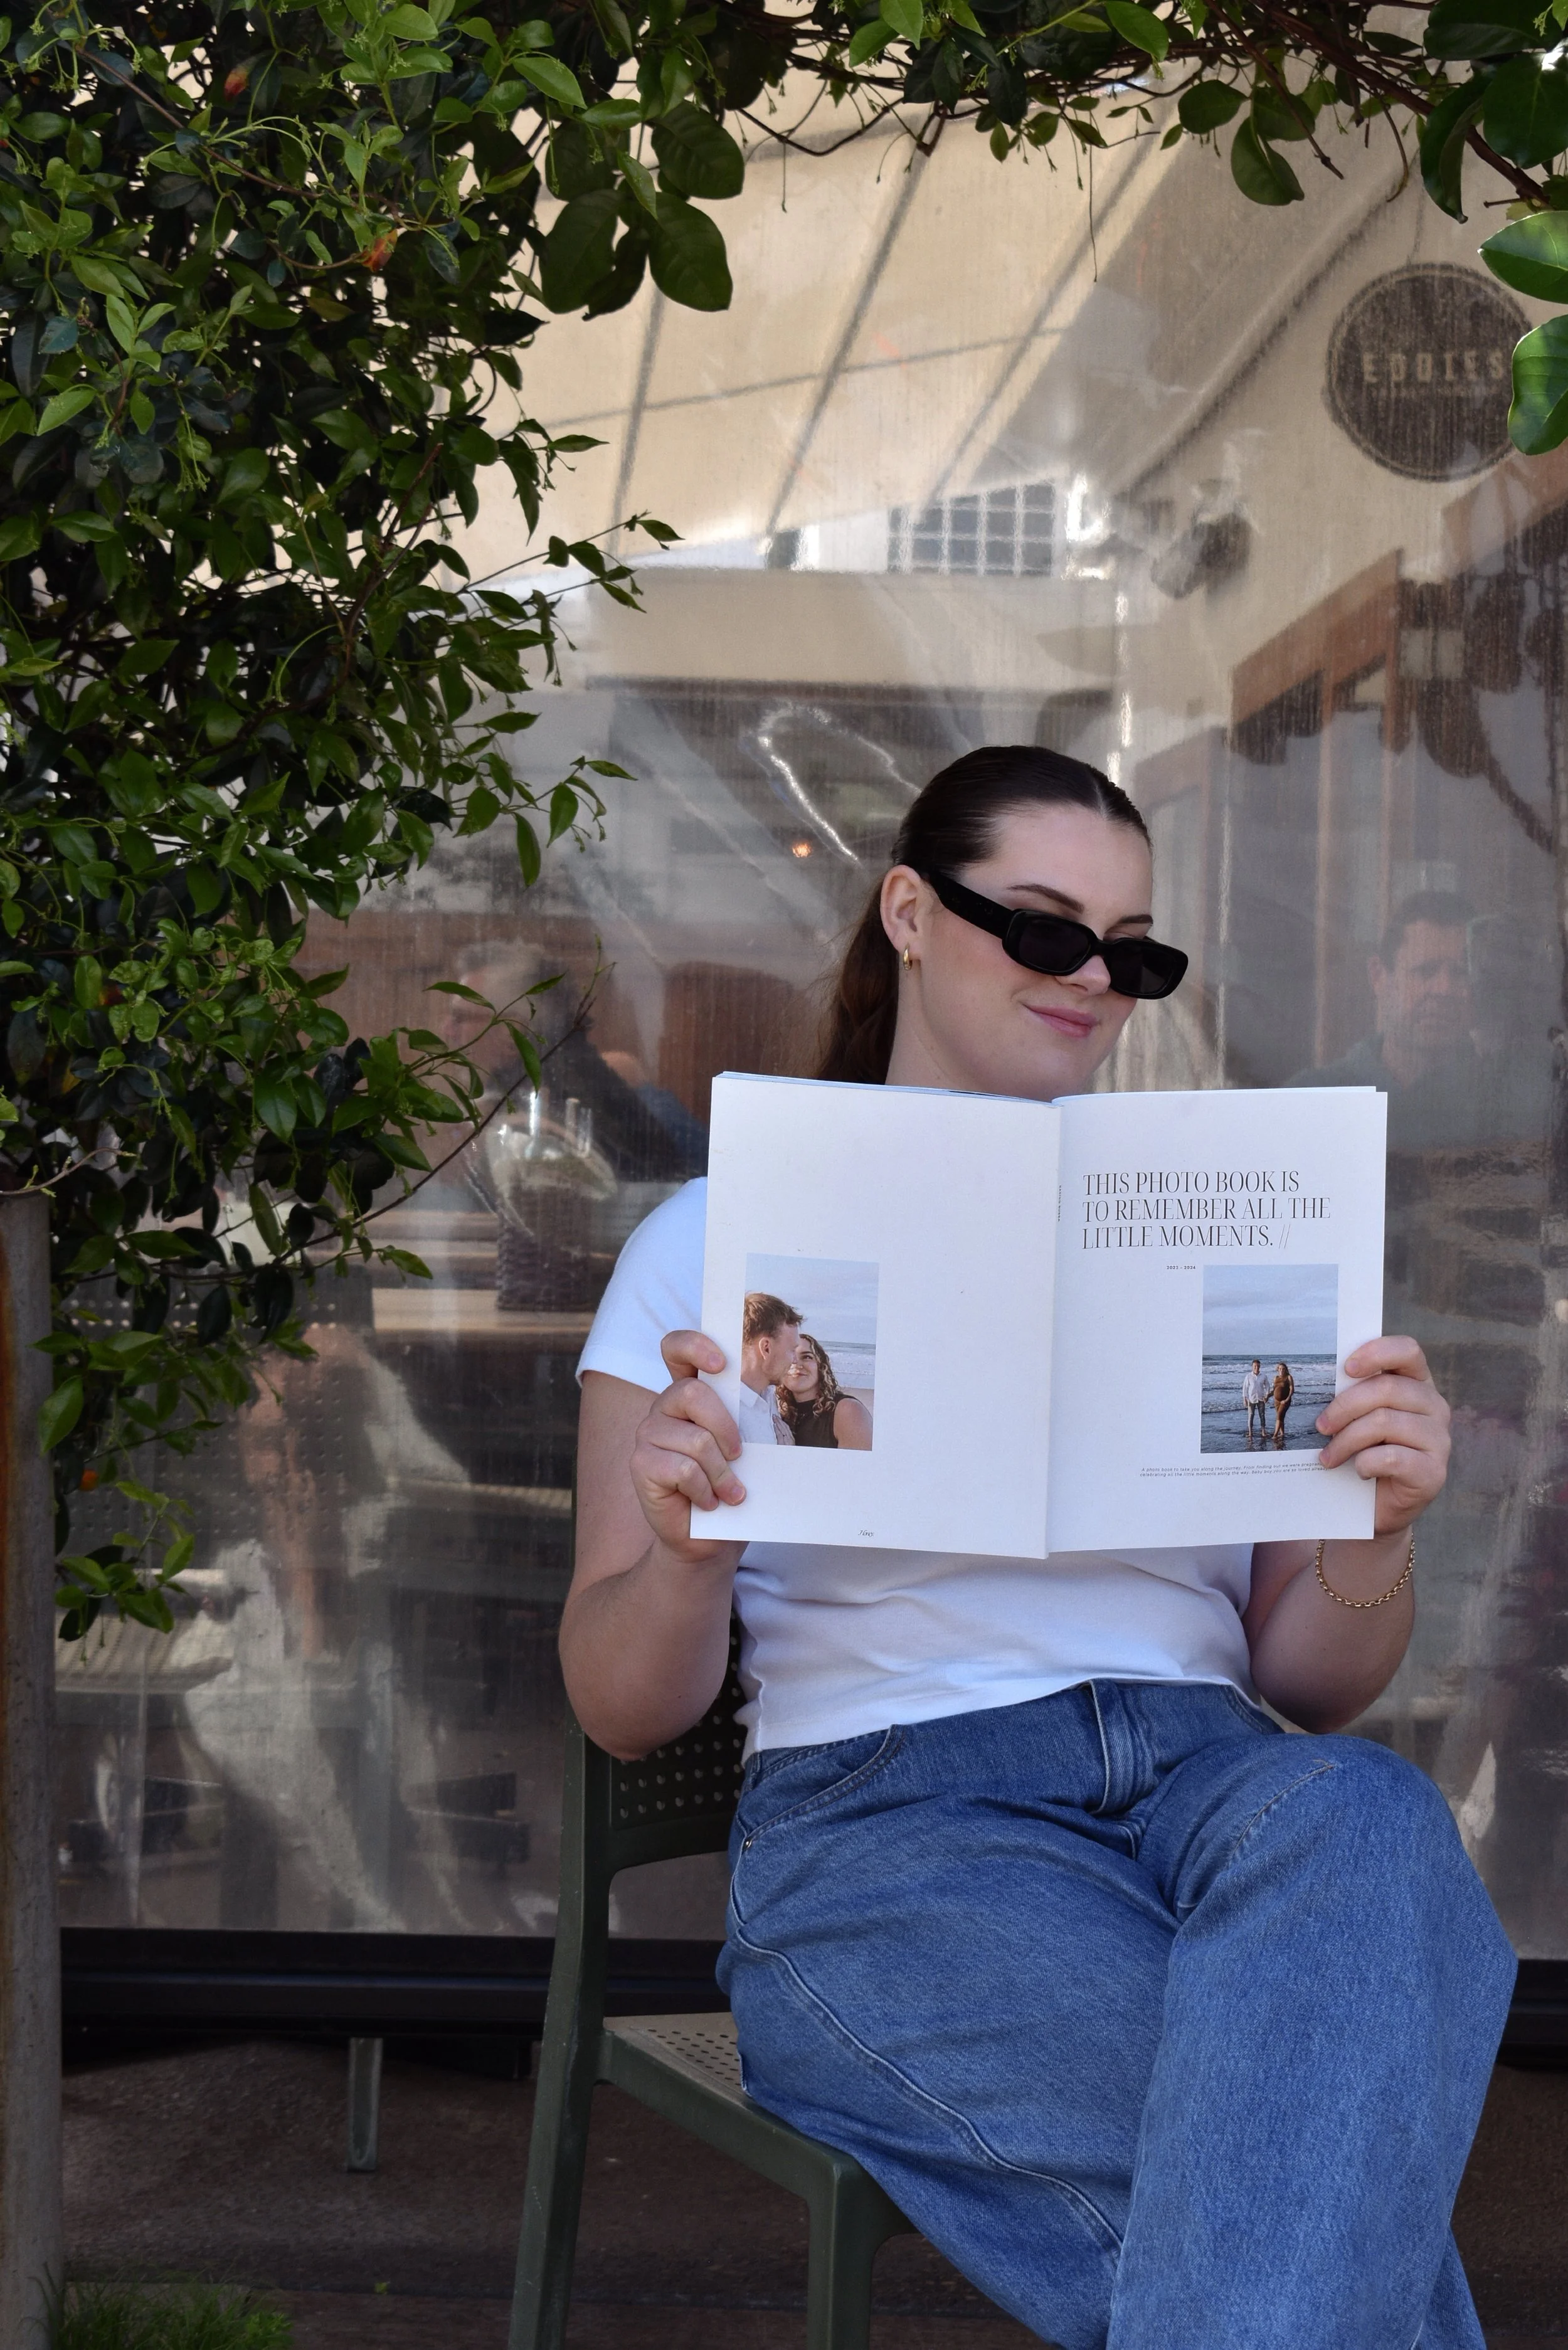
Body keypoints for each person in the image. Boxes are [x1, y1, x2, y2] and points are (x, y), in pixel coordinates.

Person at [563, 744, 1512, 2350]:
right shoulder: (710, 1245)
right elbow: (618, 1699)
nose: (1095, 981)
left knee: (1376, 1816)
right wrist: (689, 1551)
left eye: (1134, 953)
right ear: (913, 913)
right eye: (1050, 930)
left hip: (1222, 1781)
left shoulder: (1227, 1220)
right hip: (897, 1819)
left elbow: (1319, 1679)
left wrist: (1376, 1527)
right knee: (1308, 2188)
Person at [1285, 891, 1489, 1150]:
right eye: (1425, 972)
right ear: (1379, 976)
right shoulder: (1311, 1100)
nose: (1444, 989)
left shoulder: (1505, 1102)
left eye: (1461, 973)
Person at [777, 1332, 873, 1450]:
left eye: (807, 1357)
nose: (796, 1364)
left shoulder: (847, 1411)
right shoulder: (783, 1417)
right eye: (791, 1357)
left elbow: (859, 1467)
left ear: (821, 1366)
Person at [738, 1293, 799, 1446]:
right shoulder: (732, 1418)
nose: (795, 1360)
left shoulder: (768, 1395)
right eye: (792, 1350)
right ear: (766, 1348)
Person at [1241, 1357, 1269, 1448]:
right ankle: (1250, 1432)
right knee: (1251, 1415)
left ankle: (1263, 1431)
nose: (1256, 1368)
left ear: (1260, 1367)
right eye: (1255, 1366)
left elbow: (1268, 1386)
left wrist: (1267, 1395)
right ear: (1252, 1367)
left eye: (1258, 1366)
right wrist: (1244, 1398)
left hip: (1261, 1399)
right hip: (1251, 1399)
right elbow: (1245, 1388)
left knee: (1262, 1415)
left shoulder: (1263, 1376)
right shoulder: (1248, 1376)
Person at [1271, 1358, 1295, 1451]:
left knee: (1279, 1416)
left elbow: (1292, 1390)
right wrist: (1267, 1396)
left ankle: (1275, 1435)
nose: (1281, 1370)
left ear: (1286, 1370)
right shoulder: (1276, 1378)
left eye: (1283, 1369)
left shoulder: (1289, 1377)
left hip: (1285, 1401)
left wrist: (1287, 1399)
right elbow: (1274, 1390)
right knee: (1281, 1418)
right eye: (1280, 1369)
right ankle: (1282, 1434)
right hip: (1277, 1402)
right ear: (1278, 1369)